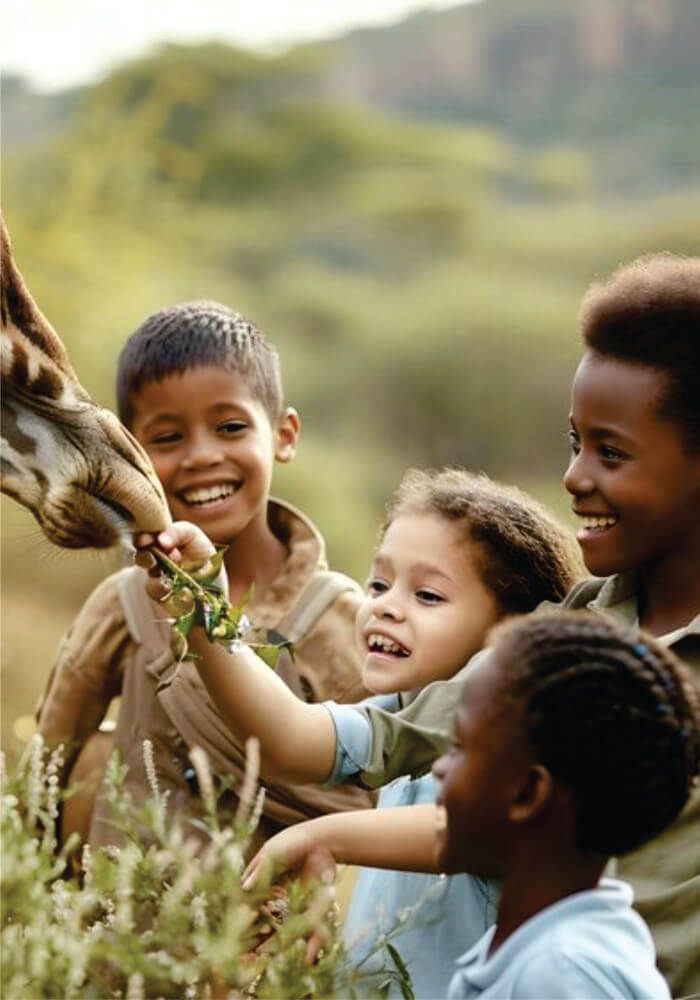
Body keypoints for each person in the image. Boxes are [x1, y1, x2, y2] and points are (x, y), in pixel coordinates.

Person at [155, 253, 700, 996]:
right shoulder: (574, 631)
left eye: (611, 452)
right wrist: (202, 606)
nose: (574, 477)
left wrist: (328, 833)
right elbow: (317, 742)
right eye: (576, 444)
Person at [137, 465, 584, 997]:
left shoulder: (521, 755)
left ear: (508, 636)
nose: (385, 606)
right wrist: (202, 601)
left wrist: (322, 837)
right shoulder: (396, 716)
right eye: (379, 583)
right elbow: (287, 737)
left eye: (428, 596)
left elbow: (464, 830)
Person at [37, 299, 373, 851]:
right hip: (120, 930)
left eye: (231, 426)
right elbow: (48, 770)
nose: (200, 456)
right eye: (167, 438)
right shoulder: (123, 605)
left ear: (284, 436)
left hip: (275, 934)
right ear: (131, 452)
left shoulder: (338, 620)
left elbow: (386, 800)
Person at [432, 611, 699, 998]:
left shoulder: (563, 975)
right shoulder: (540, 948)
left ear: (527, 793)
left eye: (459, 747)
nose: (439, 768)